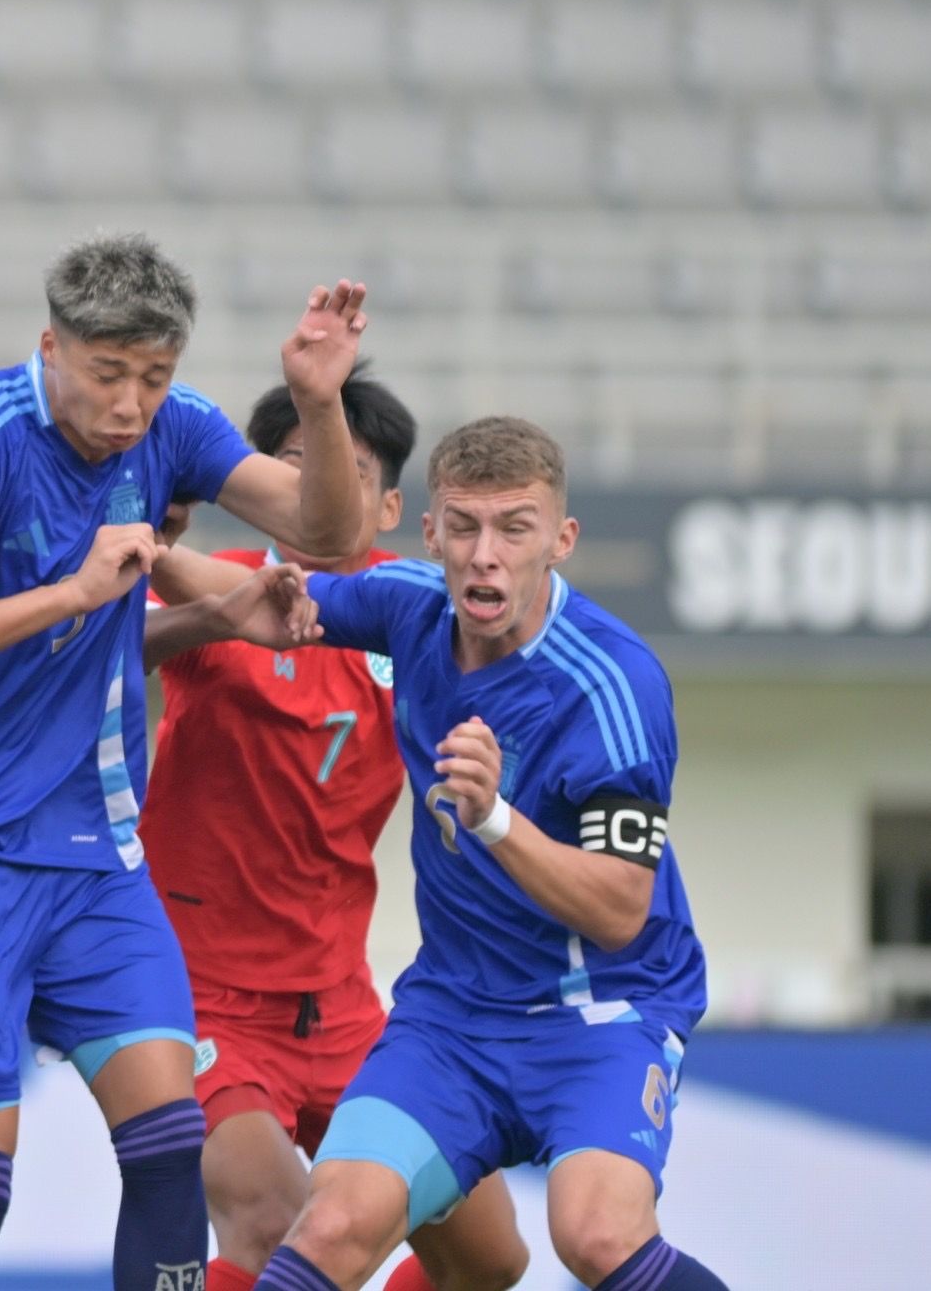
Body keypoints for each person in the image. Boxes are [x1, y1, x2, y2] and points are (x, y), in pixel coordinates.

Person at [0, 233, 371, 1291]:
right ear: (52, 346)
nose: (132, 403)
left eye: (155, 376)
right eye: (107, 374)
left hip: (95, 850)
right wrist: (71, 594)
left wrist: (318, 405)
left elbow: (327, 532)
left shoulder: (175, 429)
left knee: (171, 1141)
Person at [250, 417, 723, 1291]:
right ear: (429, 534)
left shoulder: (615, 684)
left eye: (515, 527)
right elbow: (267, 598)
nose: (485, 555)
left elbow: (622, 910)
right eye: (463, 526)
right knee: (331, 1227)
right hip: (454, 1019)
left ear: (561, 540)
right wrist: (143, 572)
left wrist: (497, 819)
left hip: (600, 1012)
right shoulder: (410, 607)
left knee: (597, 1236)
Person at [141, 371, 528, 1291]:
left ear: (391, 505)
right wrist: (161, 571)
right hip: (207, 1001)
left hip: (345, 1000)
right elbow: (115, 633)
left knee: (489, 1260)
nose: (313, 490)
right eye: (291, 468)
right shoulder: (227, 593)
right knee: (276, 1223)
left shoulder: (418, 619)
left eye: (343, 472)